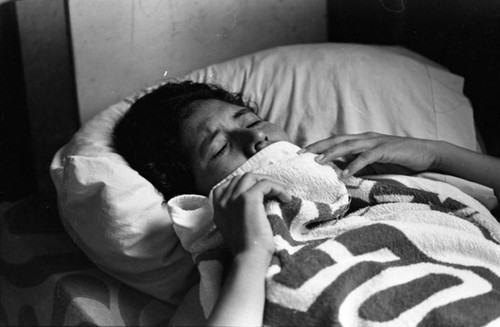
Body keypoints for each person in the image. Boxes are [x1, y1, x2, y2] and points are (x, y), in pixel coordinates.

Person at [113, 80, 500, 326]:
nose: (256, 140)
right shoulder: (230, 266)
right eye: (219, 149)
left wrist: (436, 155)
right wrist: (252, 252)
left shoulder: (392, 186)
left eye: (250, 121)